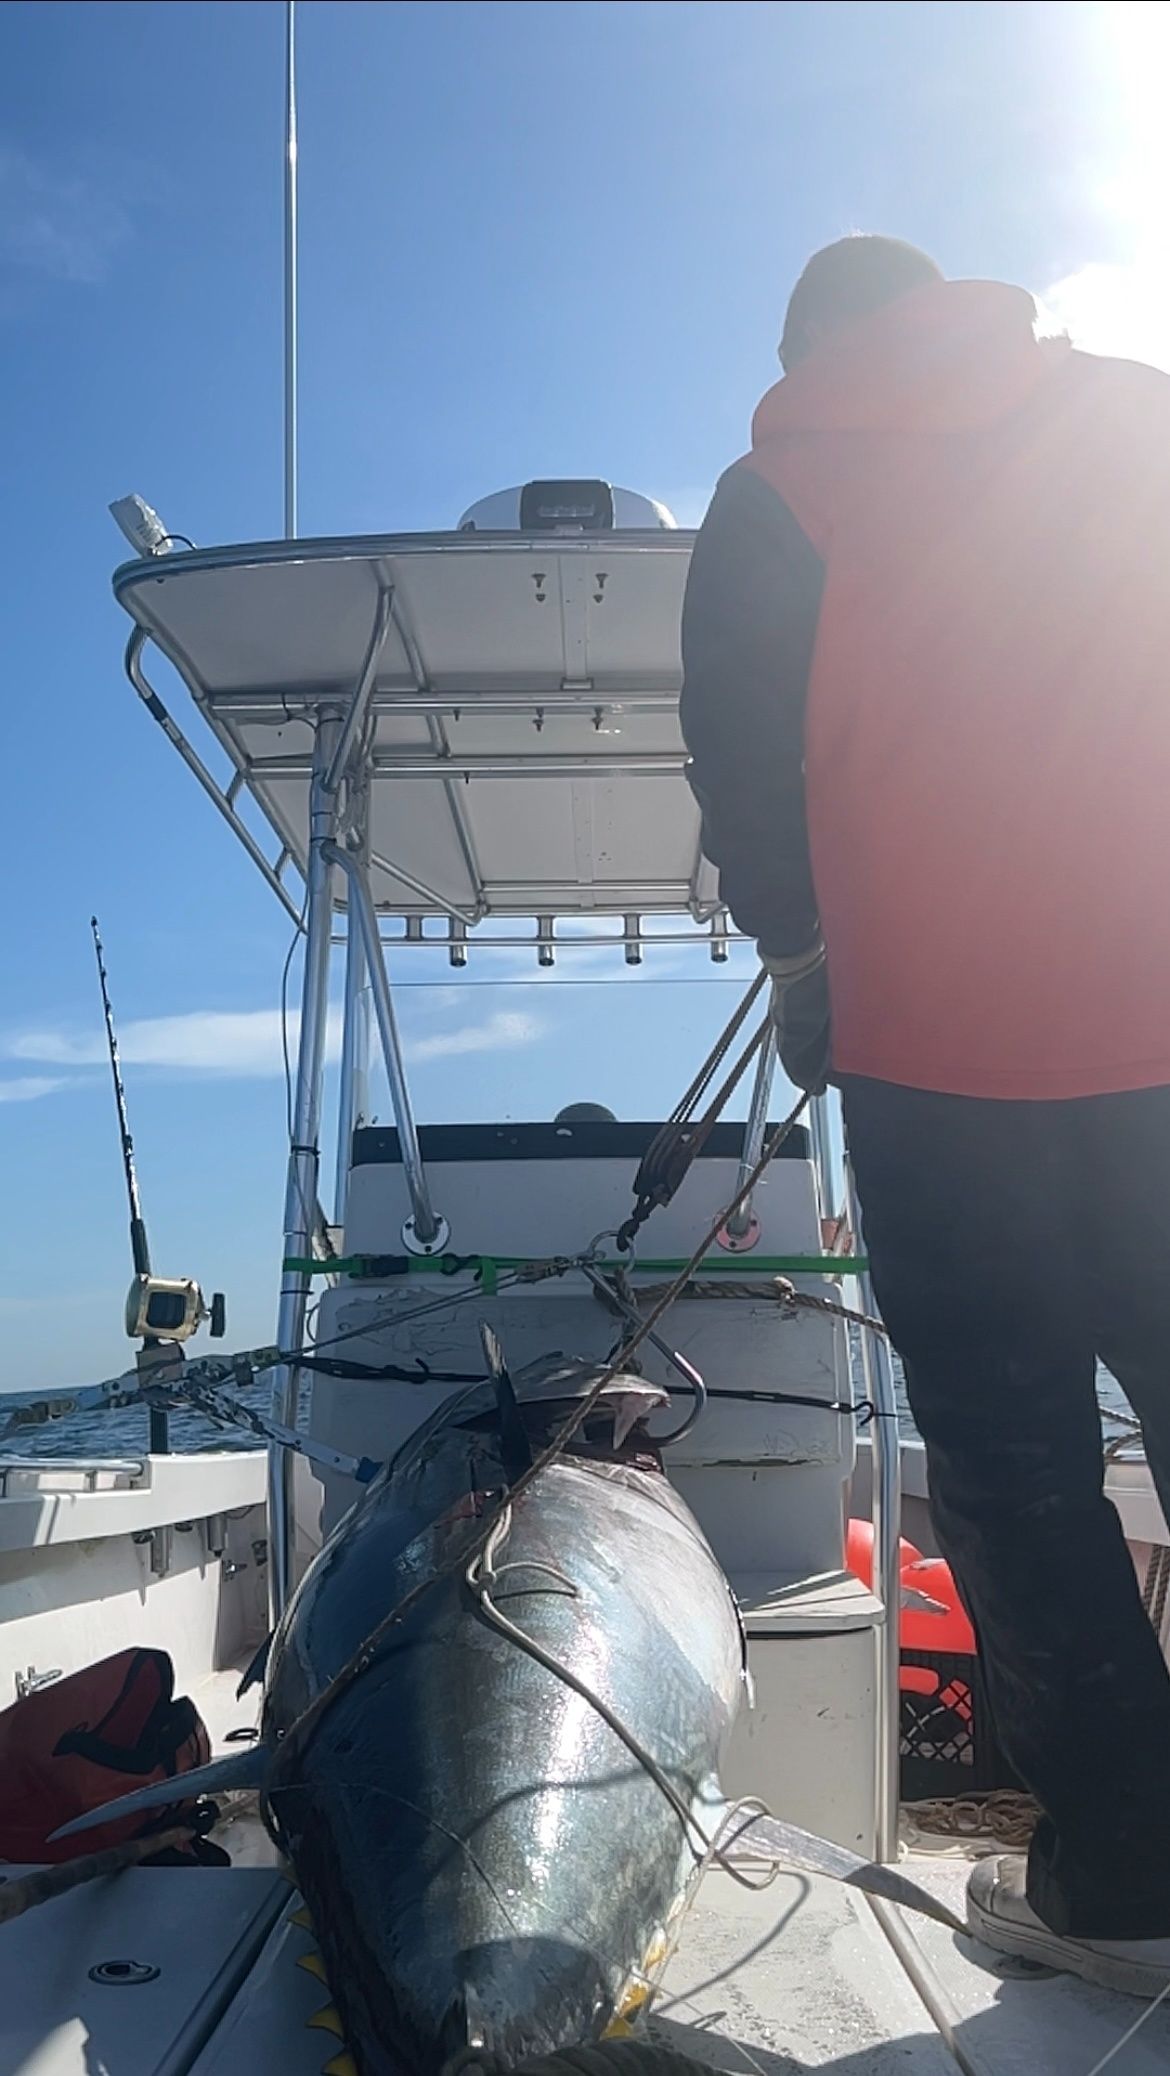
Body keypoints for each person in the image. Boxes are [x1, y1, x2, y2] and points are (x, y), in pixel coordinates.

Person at [679, 233, 1170, 1995]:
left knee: (1020, 1472)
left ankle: (1124, 1882)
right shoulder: (1131, 418)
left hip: (941, 1066)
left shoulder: (775, 486)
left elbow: (744, 780)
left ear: (809, 343)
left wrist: (808, 985)